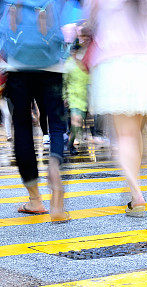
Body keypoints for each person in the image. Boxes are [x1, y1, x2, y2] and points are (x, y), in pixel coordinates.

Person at [87, 0, 147, 218]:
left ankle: (136, 194)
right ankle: (139, 180)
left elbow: (90, 20)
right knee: (137, 132)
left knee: (125, 135)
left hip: (117, 65)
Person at [2, 0, 79, 223]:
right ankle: (55, 166)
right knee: (55, 125)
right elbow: (69, 19)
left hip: (18, 65)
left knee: (23, 127)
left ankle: (35, 200)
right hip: (52, 64)